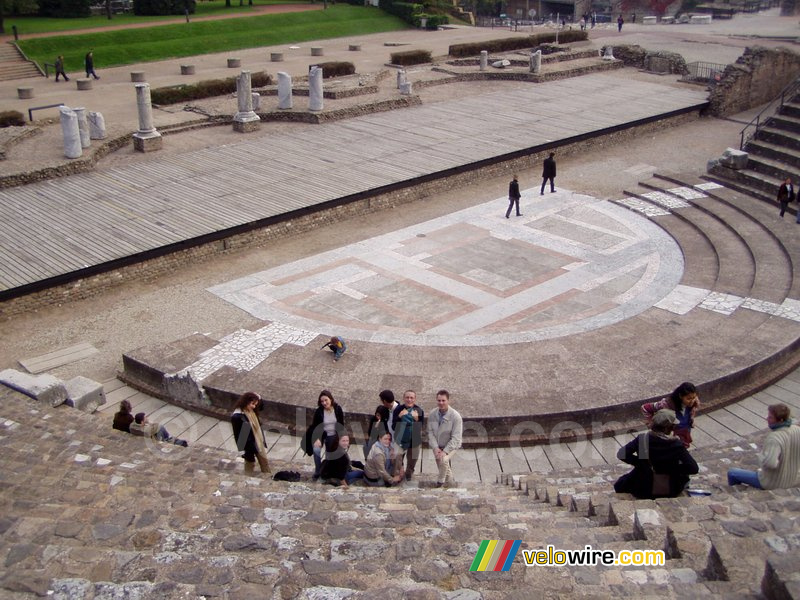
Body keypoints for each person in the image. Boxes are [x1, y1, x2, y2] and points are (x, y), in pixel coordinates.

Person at [613, 409, 699, 499]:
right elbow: (693, 468)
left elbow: (621, 454)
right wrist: (670, 469)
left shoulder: (642, 439)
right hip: (668, 488)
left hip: (644, 486)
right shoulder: (676, 445)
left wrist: (641, 463)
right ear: (668, 428)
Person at [727, 403, 800, 489]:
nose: (766, 418)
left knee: (732, 473)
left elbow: (771, 464)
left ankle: (735, 491)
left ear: (780, 420)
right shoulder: (797, 430)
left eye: (770, 417)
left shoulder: (774, 438)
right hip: (793, 478)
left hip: (774, 482)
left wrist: (761, 456)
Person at [301, 389, 345, 479]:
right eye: (322, 401)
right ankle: (318, 470)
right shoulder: (319, 411)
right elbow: (315, 426)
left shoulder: (337, 409)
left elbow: (341, 425)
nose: (324, 403)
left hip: (333, 435)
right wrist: (316, 438)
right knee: (316, 450)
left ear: (331, 399)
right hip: (322, 434)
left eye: (326, 400)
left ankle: (326, 471)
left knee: (330, 455)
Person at [641, 382, 700, 448]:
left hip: (685, 433)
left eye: (694, 397)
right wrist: (651, 423)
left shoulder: (694, 402)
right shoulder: (666, 404)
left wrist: (692, 419)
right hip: (671, 437)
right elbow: (645, 408)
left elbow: (692, 411)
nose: (692, 401)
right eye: (688, 399)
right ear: (680, 396)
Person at [427, 390, 463, 487]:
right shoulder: (432, 414)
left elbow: (456, 438)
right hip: (438, 445)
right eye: (439, 400)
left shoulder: (456, 417)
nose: (441, 403)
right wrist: (435, 447)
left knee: (443, 460)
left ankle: (440, 482)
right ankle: (451, 484)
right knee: (443, 466)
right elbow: (430, 432)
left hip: (452, 446)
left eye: (443, 400)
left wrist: (445, 451)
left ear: (448, 401)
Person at [231, 391, 271, 474]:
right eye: (252, 404)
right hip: (249, 444)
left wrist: (258, 397)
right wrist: (244, 449)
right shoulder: (238, 416)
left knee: (264, 462)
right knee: (250, 462)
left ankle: (267, 475)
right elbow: (239, 435)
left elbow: (262, 406)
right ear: (246, 402)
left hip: (257, 440)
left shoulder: (251, 410)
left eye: (255, 404)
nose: (254, 406)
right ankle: (248, 477)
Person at [392, 389, 425, 481]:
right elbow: (394, 426)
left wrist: (417, 419)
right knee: (397, 456)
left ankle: (409, 472)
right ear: (403, 398)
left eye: (411, 398)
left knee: (413, 459)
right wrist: (399, 418)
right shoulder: (398, 409)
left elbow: (421, 427)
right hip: (400, 438)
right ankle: (398, 473)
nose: (409, 400)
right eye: (407, 397)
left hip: (414, 439)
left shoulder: (419, 410)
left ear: (415, 399)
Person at [364, 392, 393, 458]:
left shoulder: (386, 421)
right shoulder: (373, 419)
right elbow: (370, 434)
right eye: (377, 415)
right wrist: (375, 427)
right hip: (375, 438)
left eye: (380, 416)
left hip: (383, 440)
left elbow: (387, 433)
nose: (378, 417)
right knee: (366, 447)